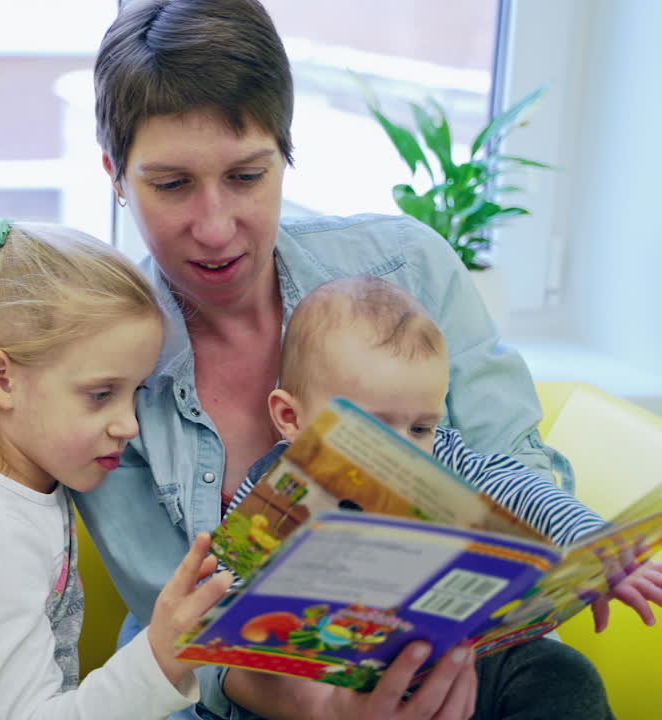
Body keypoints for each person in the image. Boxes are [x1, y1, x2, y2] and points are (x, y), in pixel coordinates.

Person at [74, 0, 614, 718]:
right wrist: (325, 709)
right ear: (115, 174)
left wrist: (579, 554)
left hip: (451, 662)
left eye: (246, 177)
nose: (213, 226)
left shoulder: (408, 270)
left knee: (561, 680)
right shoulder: (101, 368)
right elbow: (184, 630)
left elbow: (515, 474)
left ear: (286, 155)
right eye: (171, 184)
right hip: (247, 690)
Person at [0, 219, 234, 719]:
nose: (129, 426)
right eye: (101, 395)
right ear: (1, 379)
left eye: (135, 394)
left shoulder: (25, 487)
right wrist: (159, 653)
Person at [254, 276, 662, 630]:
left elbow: (522, 491)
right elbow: (231, 588)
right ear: (290, 417)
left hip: (461, 656)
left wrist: (596, 544)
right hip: (332, 677)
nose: (403, 452)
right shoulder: (276, 491)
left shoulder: (446, 460)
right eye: (372, 429)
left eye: (421, 427)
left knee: (560, 672)